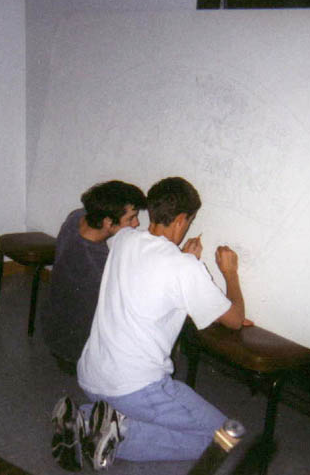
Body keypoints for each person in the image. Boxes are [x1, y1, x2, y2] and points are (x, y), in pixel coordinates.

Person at [51, 176, 249, 471]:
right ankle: (115, 433)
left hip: (92, 377)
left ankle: (86, 416)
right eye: (189, 221)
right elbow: (234, 320)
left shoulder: (124, 239)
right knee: (226, 439)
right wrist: (230, 272)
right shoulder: (184, 268)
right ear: (181, 220)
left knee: (188, 425)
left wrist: (183, 260)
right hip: (136, 389)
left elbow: (153, 275)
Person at [42, 180, 147, 372]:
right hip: (75, 352)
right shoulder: (94, 264)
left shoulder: (77, 217)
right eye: (131, 218)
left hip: (54, 329)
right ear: (108, 222)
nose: (136, 223)